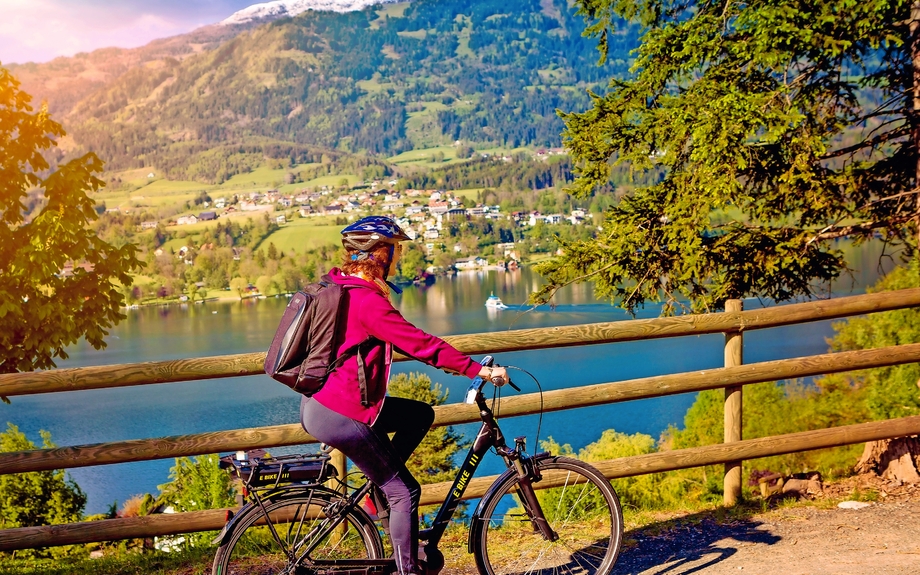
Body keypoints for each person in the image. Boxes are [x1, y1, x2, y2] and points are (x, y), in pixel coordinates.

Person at [299, 215, 508, 575]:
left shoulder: (344, 286)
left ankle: (381, 490)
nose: (399, 257)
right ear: (379, 253)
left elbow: (398, 342)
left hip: (326, 404)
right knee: (405, 493)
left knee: (419, 415)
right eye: (395, 249)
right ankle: (407, 568)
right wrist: (478, 369)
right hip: (343, 412)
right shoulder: (366, 301)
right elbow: (420, 343)